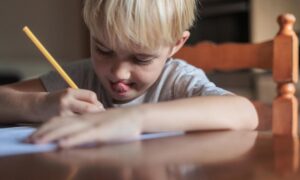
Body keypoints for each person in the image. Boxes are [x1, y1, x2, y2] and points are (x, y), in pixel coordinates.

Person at [0, 0, 258, 148]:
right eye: (103, 49)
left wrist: (133, 118)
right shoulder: (81, 76)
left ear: (176, 45)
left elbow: (244, 112)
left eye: (141, 58)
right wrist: (40, 105)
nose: (118, 72)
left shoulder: (177, 81)